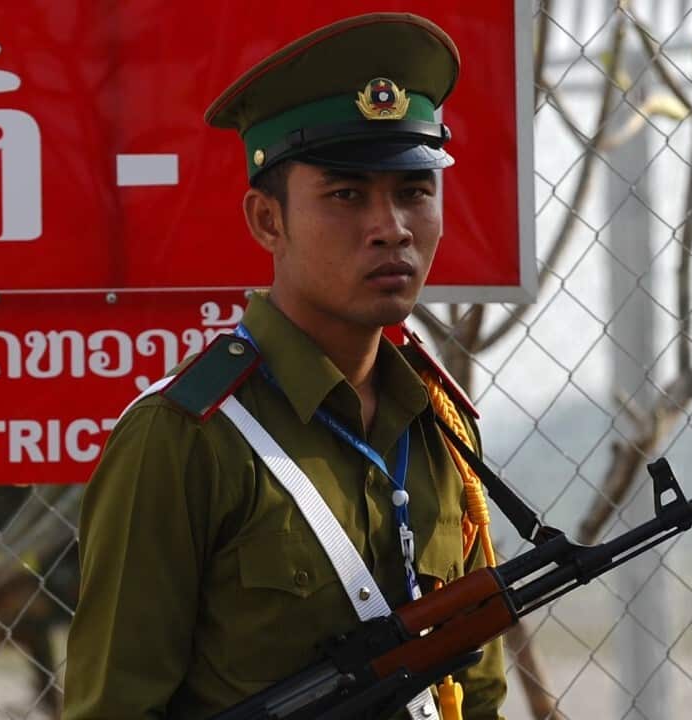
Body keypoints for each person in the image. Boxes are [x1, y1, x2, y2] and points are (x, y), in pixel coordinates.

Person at [64, 12, 507, 720]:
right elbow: (114, 707)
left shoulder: (439, 425)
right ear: (268, 221)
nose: (391, 226)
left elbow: (477, 690)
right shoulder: (184, 437)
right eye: (346, 195)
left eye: (414, 193)